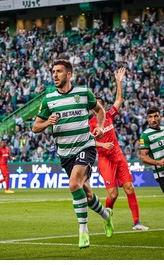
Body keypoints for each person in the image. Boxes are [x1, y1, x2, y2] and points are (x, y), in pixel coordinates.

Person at [32, 56, 114, 249]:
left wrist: (100, 128)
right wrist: (47, 123)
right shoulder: (49, 99)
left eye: (58, 72)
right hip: (65, 154)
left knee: (73, 183)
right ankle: (106, 215)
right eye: (53, 72)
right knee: (86, 194)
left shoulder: (83, 93)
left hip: (85, 146)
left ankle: (83, 231)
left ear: (69, 74)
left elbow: (100, 111)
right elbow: (35, 127)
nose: (55, 75)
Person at [89, 67, 149, 231]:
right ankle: (107, 216)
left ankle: (137, 222)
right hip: (104, 160)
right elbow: (88, 142)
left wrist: (118, 82)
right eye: (97, 105)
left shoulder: (108, 116)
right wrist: (102, 145)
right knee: (113, 195)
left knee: (130, 187)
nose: (99, 107)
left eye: (101, 105)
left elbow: (119, 100)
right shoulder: (90, 124)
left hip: (118, 156)